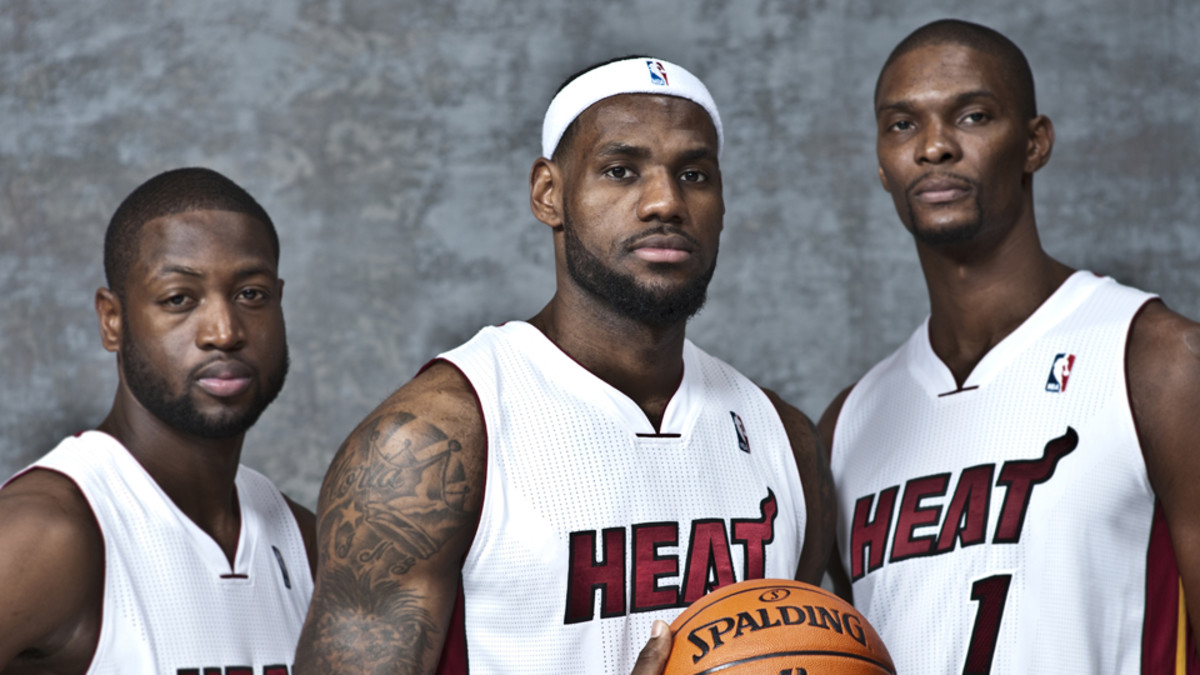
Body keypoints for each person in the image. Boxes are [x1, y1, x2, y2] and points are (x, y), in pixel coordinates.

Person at [295, 56, 835, 674]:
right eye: (620, 170)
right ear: (549, 194)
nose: (665, 201)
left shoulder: (784, 439)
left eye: (694, 174)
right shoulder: (431, 443)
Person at [819, 18, 1200, 674]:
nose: (934, 147)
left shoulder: (1157, 363)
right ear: (882, 165)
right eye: (903, 124)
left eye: (972, 116)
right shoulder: (848, 425)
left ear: (1034, 143)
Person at [0, 167, 316, 674]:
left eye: (251, 294)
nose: (224, 332)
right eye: (179, 299)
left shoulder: (306, 541)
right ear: (112, 320)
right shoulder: (44, 532)